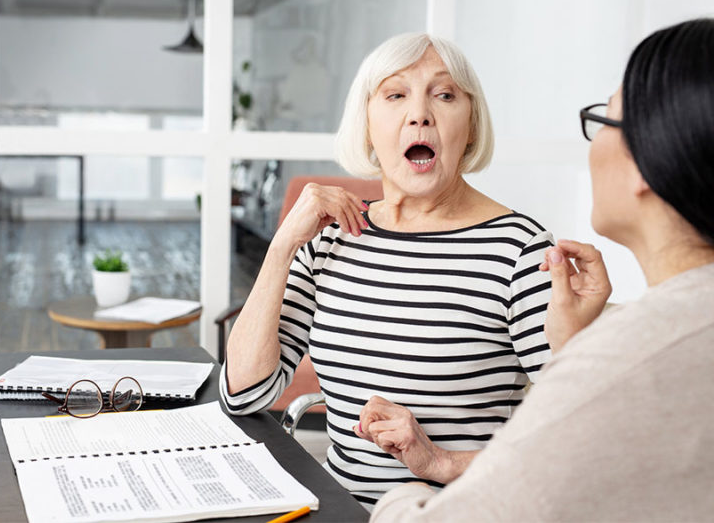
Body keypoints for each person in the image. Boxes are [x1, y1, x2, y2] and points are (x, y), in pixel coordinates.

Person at [368, 18, 714, 521]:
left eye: (605, 121)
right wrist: (578, 349)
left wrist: (395, 496)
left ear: (645, 159)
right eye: (394, 96)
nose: (419, 115)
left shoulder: (631, 347)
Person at [219, 32, 555, 508]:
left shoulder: (520, 249)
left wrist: (439, 462)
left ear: (472, 126)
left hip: (460, 514)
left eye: (444, 95)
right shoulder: (331, 238)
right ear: (367, 126)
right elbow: (244, 396)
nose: (420, 113)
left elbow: (571, 441)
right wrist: (283, 247)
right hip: (337, 510)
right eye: (396, 95)